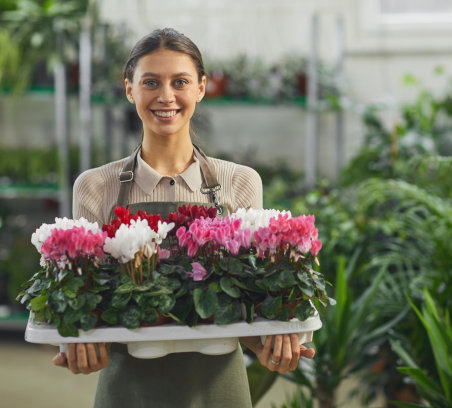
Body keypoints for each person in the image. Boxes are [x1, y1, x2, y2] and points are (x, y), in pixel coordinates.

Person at [52, 27, 315, 407]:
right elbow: (86, 300)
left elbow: (250, 299)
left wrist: (275, 337)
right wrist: (80, 340)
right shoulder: (95, 187)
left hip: (217, 386)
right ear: (130, 89)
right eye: (150, 82)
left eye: (180, 82)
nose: (166, 96)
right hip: (129, 388)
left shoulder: (239, 183)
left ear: (201, 88)